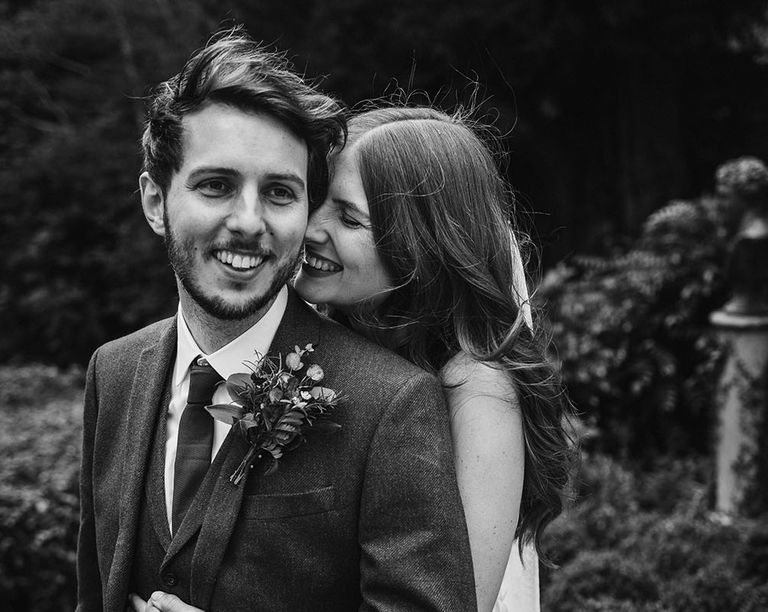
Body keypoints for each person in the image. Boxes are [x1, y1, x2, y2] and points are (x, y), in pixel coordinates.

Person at [76, 34, 478, 612]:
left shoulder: (390, 404)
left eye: (280, 193)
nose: (248, 221)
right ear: (155, 201)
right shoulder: (110, 373)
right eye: (216, 185)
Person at [293, 105, 573, 612]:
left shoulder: (478, 391)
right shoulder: (312, 338)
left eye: (350, 217)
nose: (312, 227)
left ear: (419, 243)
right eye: (315, 200)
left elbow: (454, 600)